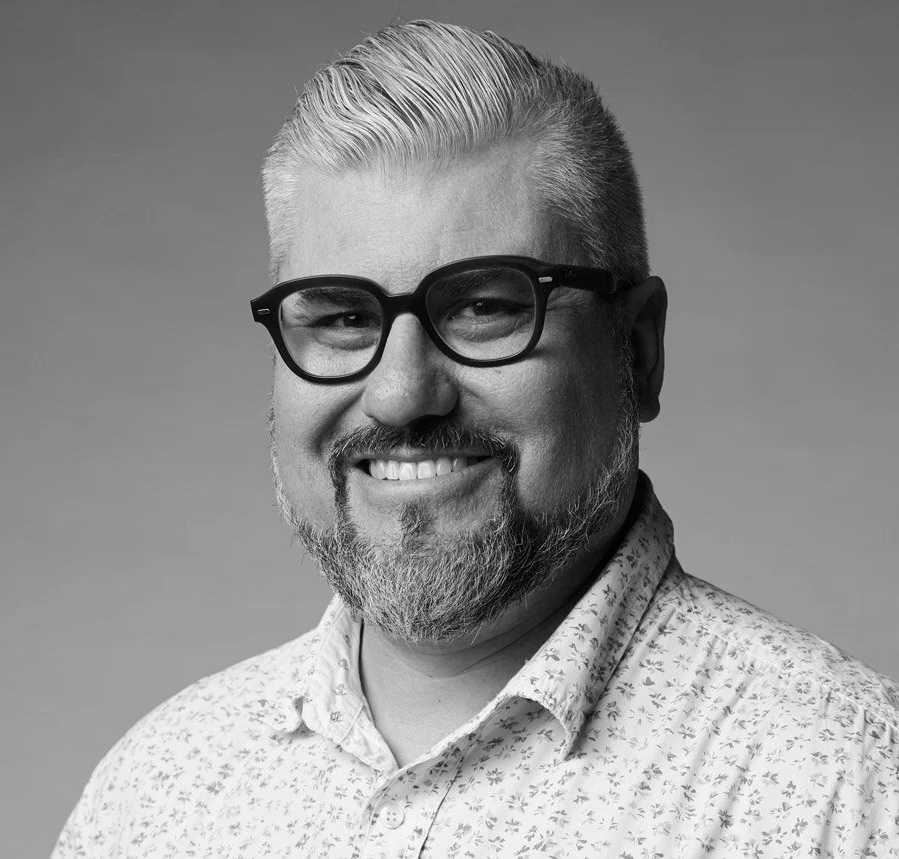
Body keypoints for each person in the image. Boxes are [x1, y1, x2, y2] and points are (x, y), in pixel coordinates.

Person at [53, 19, 899, 858]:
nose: (402, 393)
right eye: (345, 318)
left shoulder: (851, 788)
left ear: (636, 351)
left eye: (485, 306)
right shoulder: (151, 795)